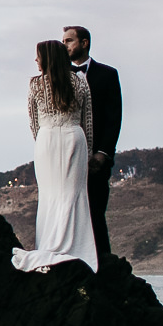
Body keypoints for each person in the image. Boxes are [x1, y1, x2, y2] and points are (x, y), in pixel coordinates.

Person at [11, 38, 98, 273]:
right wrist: (88, 152)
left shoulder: (36, 85)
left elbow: (33, 122)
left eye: (39, 56)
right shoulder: (80, 82)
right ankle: (75, 246)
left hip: (47, 140)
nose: (36, 60)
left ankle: (49, 245)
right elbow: (87, 121)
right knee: (74, 194)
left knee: (50, 195)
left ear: (48, 58)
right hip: (74, 138)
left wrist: (43, 141)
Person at [63, 25, 122, 257]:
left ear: (84, 43)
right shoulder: (60, 76)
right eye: (63, 41)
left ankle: (103, 263)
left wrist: (103, 153)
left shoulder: (108, 75)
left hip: (97, 159)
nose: (65, 46)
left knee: (96, 212)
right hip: (67, 156)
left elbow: (114, 118)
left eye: (69, 41)